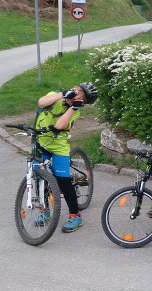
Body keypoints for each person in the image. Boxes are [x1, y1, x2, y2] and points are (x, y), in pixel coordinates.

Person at [34, 82, 99, 233]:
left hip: (58, 147)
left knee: (63, 180)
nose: (74, 94)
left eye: (78, 97)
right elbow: (41, 102)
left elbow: (59, 125)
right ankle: (45, 211)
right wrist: (62, 95)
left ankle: (75, 215)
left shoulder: (74, 111)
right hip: (41, 142)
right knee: (39, 177)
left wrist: (73, 107)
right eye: (75, 90)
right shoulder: (55, 95)